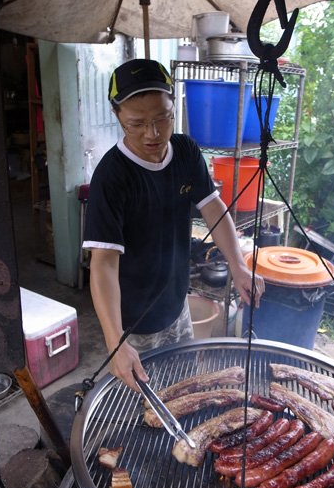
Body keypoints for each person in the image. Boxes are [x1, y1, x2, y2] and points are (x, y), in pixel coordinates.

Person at [83, 58, 264, 392]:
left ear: (173, 105)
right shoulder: (112, 177)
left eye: (162, 118)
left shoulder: (184, 151)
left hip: (176, 304)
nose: (152, 134)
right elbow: (103, 263)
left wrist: (239, 266)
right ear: (117, 115)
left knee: (183, 388)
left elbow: (213, 207)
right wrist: (115, 342)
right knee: (144, 404)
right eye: (136, 123)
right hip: (132, 322)